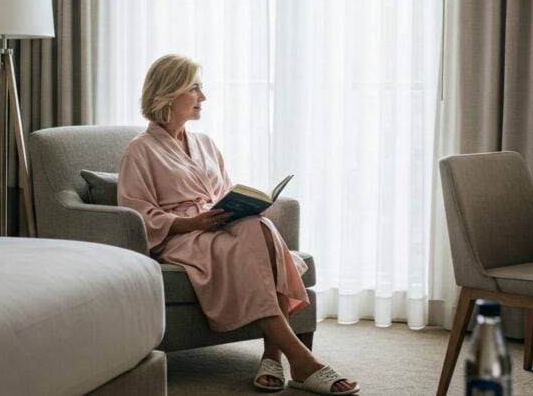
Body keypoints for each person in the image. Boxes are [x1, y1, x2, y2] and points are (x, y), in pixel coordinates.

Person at [118, 54, 360, 395]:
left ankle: (273, 355)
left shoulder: (205, 143)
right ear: (169, 93)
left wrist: (238, 207)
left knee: (257, 227)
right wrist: (191, 223)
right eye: (195, 89)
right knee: (256, 241)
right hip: (182, 237)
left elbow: (220, 192)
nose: (203, 97)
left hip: (217, 227)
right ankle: (301, 361)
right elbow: (136, 212)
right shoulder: (139, 151)